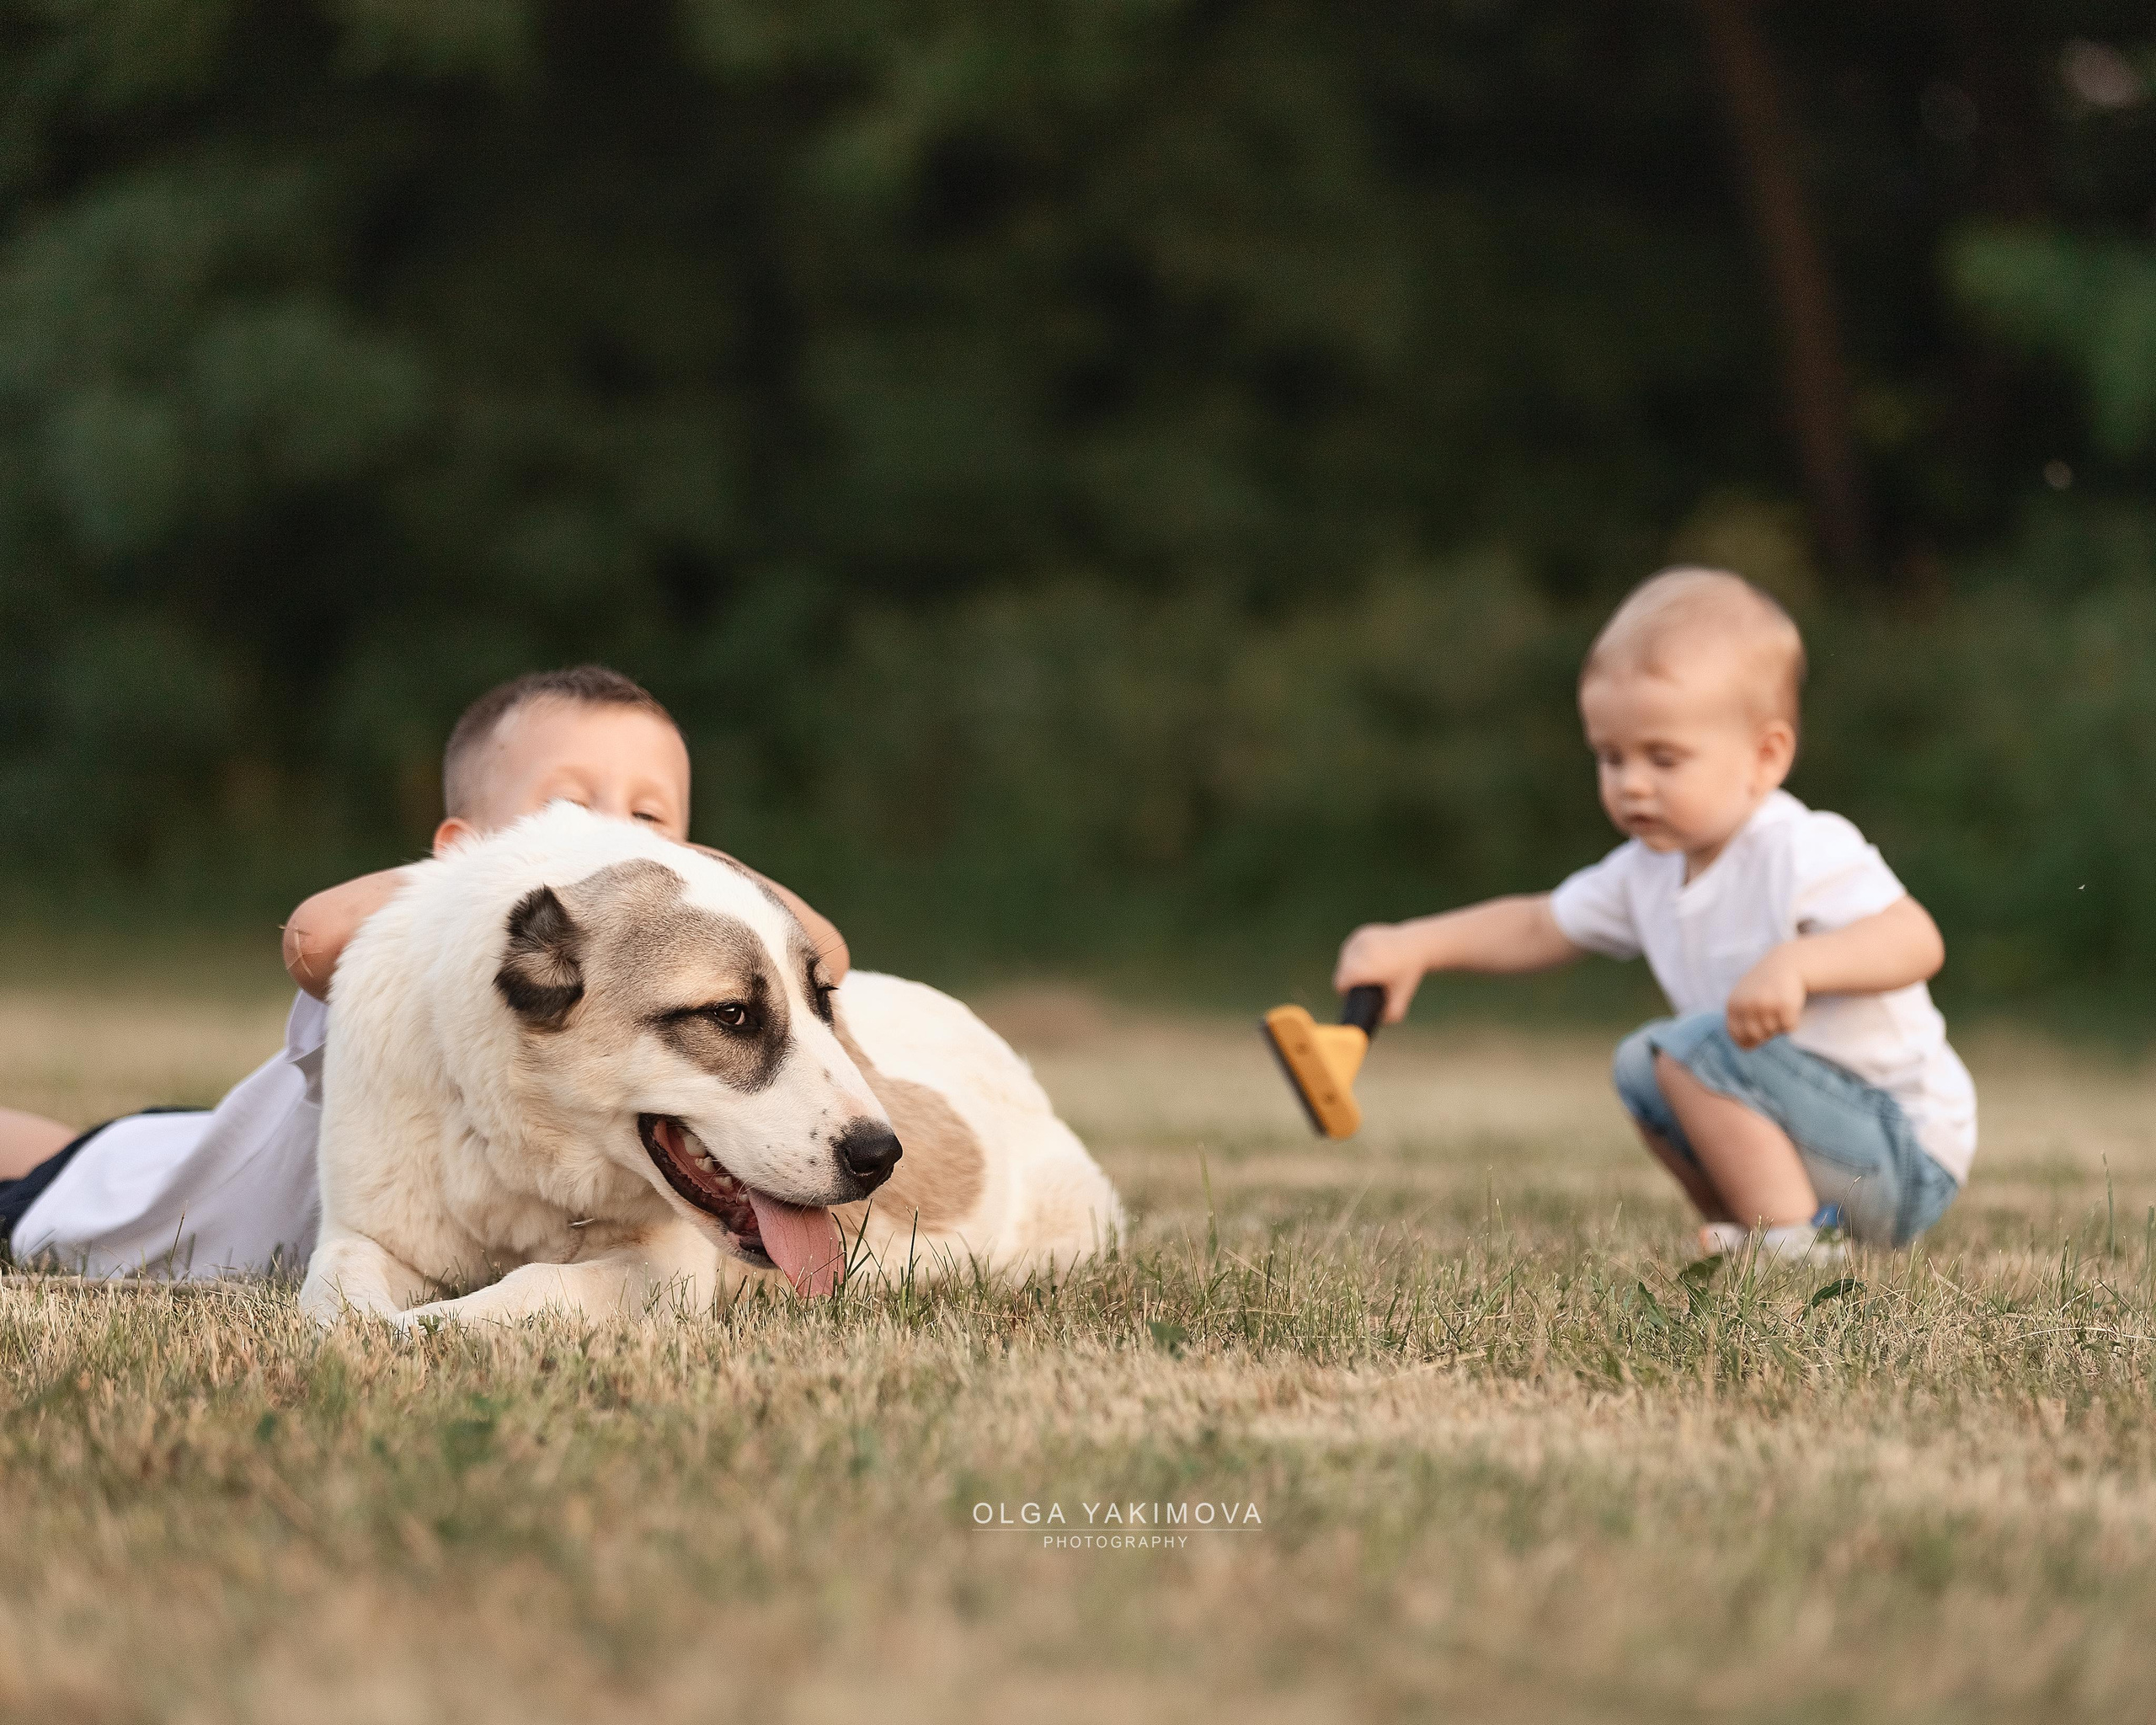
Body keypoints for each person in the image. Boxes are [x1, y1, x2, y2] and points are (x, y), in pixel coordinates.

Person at [0, 665, 848, 1278]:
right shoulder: (419, 932)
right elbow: (313, 933)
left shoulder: (643, 957)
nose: (613, 836)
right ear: (467, 849)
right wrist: (478, 881)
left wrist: (704, 873)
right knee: (65, 1176)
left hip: (214, 1137)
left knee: (101, 1142)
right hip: (180, 1194)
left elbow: (829, 956)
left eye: (649, 818)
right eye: (571, 810)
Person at [1334, 568, 1974, 1259]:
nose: (1631, 783)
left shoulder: (1799, 847)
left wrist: (1798, 963)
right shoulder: (1647, 870)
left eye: (1663, 758)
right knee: (1643, 1064)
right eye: (1611, 757)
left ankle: (1791, 1244)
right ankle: (1758, 1231)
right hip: (1816, 1140)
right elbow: (1539, 925)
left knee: (1691, 1049)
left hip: (1899, 1151)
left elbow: (1916, 939)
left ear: (1766, 756)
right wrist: (1414, 945)